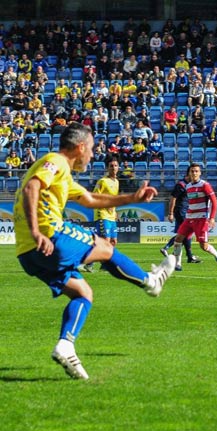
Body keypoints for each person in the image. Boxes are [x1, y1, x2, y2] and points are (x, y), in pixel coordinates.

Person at [14, 122, 176, 381]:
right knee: (104, 246)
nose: (93, 155)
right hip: (48, 236)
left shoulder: (64, 176)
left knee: (83, 293)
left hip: (28, 254)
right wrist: (37, 231)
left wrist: (132, 198)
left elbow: (90, 200)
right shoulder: (55, 161)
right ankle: (151, 282)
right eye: (91, 149)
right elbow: (31, 187)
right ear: (80, 148)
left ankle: (66, 345)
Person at [172, 163, 217, 271]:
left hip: (201, 219)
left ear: (200, 173)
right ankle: (177, 264)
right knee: (178, 239)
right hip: (189, 218)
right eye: (192, 171)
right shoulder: (188, 186)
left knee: (203, 246)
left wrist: (212, 217)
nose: (194, 173)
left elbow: (214, 202)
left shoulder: (204, 185)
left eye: (196, 171)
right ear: (189, 173)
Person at [82, 159, 120, 273]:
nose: (113, 167)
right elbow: (95, 196)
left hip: (112, 215)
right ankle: (99, 264)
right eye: (111, 165)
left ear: (118, 168)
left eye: (116, 165)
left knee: (113, 241)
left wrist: (115, 211)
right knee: (105, 240)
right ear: (107, 168)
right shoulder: (102, 181)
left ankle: (92, 263)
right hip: (102, 214)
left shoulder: (117, 182)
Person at [160, 169, 201, 265]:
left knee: (182, 234)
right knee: (186, 233)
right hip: (181, 212)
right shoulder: (181, 185)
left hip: (186, 211)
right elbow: (173, 198)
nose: (194, 176)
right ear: (188, 175)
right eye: (192, 174)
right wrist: (170, 213)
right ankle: (189, 256)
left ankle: (187, 255)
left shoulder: (189, 185)